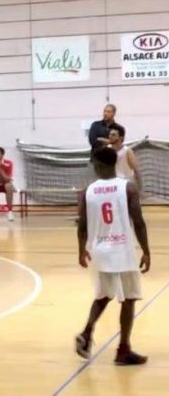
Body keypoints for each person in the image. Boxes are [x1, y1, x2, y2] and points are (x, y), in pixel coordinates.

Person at [74, 146, 150, 365]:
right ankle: (123, 350)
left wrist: (81, 250)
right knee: (129, 298)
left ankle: (87, 333)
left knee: (103, 295)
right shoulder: (128, 187)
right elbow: (139, 222)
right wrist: (146, 251)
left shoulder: (88, 191)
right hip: (122, 249)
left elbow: (82, 226)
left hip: (100, 250)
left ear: (99, 164)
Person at [108, 123, 142, 191]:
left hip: (125, 185)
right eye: (110, 134)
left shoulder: (127, 151)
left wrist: (139, 189)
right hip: (112, 186)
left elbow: (136, 170)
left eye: (113, 135)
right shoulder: (107, 150)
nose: (110, 136)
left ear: (121, 138)